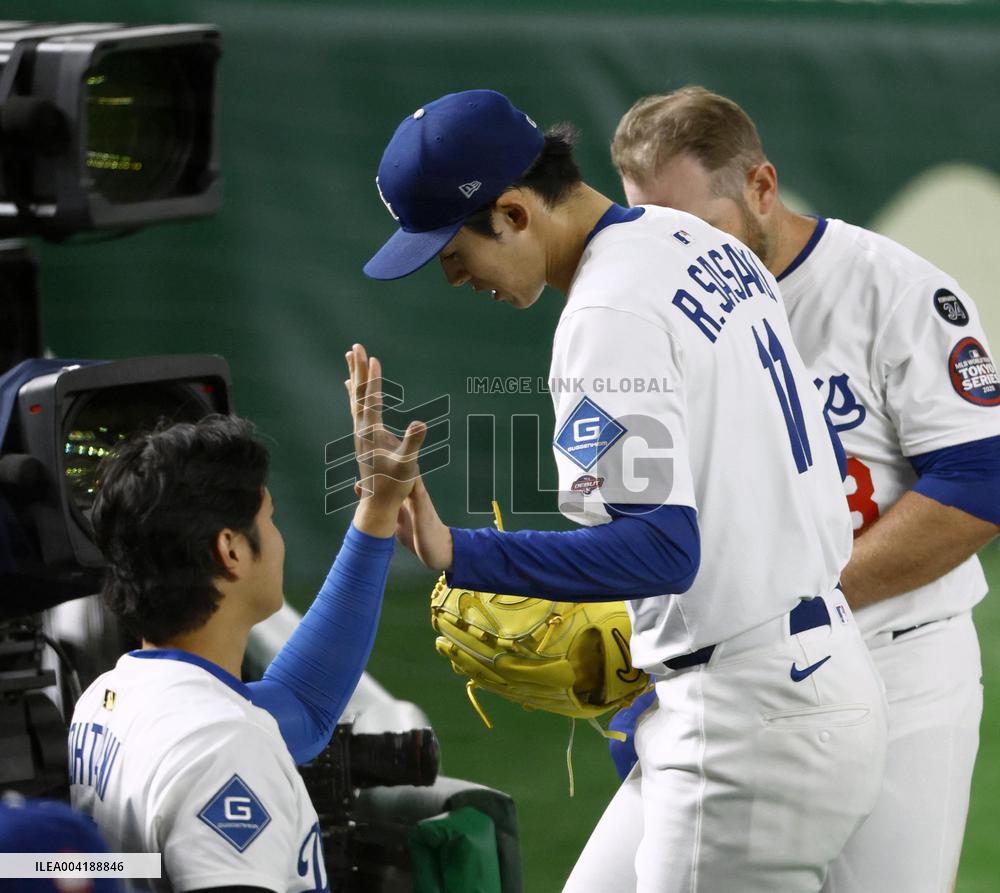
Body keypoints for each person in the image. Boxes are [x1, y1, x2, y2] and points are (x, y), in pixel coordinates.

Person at [363, 89, 888, 893]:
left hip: (751, 719)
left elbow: (660, 549)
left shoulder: (606, 314)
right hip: (803, 671)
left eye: (452, 251)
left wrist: (457, 550)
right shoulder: (699, 241)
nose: (454, 275)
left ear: (513, 212)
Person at [610, 85, 1000, 893]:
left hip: (898, 667)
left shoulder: (892, 292)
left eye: (698, 229)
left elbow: (981, 485)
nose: (678, 254)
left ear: (761, 187)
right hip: (726, 677)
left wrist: (778, 604)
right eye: (654, 231)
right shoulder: (656, 310)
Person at [69, 357, 426, 893]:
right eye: (270, 519)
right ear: (231, 550)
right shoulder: (221, 746)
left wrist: (378, 510)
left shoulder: (107, 700)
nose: (277, 539)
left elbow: (304, 704)